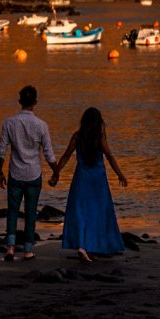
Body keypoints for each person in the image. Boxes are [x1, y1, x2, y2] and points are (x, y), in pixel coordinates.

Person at [49, 107, 128, 263]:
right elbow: (110, 156)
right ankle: (88, 247)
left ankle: (83, 246)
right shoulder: (100, 137)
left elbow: (66, 156)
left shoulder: (78, 137)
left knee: (80, 212)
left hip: (82, 179)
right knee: (97, 213)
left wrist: (56, 173)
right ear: (99, 122)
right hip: (98, 180)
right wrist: (120, 174)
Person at [0, 84, 56, 261]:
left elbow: (1, 150)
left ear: (19, 101)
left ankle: (11, 248)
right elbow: (48, 153)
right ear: (35, 102)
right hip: (34, 174)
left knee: (12, 211)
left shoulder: (9, 123)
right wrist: (56, 171)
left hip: (15, 173)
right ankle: (28, 249)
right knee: (31, 212)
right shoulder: (41, 125)